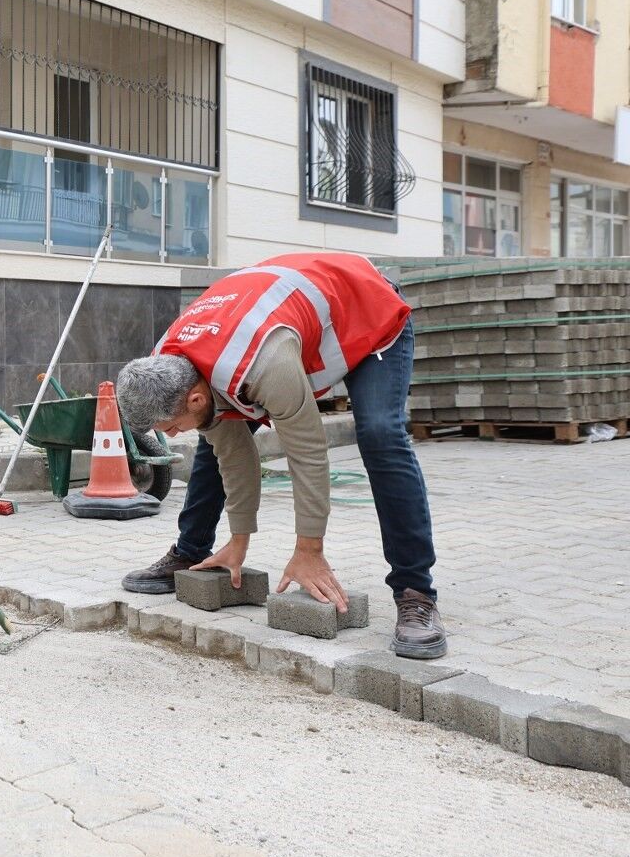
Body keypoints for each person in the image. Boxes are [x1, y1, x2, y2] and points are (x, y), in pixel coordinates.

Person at [114, 253, 446, 659]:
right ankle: (191, 551)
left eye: (169, 427)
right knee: (212, 444)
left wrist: (309, 551)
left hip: (367, 312)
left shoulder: (265, 366)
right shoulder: (167, 364)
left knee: (380, 435)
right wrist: (240, 540)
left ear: (195, 396)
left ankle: (415, 592)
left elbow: (307, 454)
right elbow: (232, 454)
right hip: (284, 316)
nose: (170, 435)